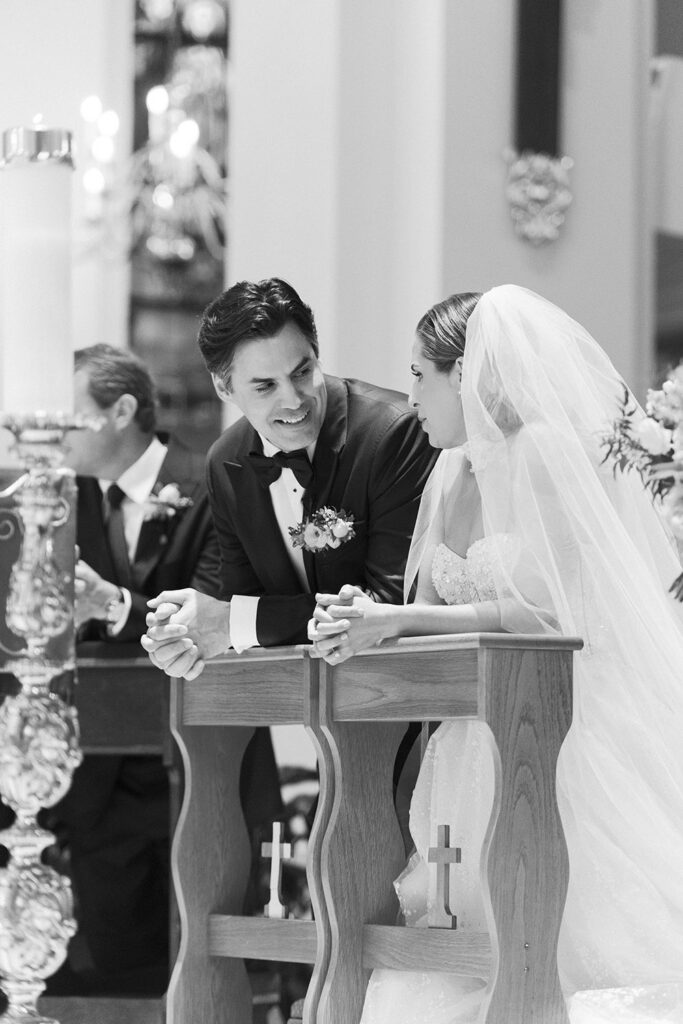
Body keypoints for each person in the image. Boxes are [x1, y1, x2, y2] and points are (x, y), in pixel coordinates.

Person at [309, 285, 683, 1023]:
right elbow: (434, 609)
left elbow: (548, 610)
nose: (410, 394)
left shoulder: (540, 452)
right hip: (465, 732)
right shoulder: (449, 469)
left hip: (554, 726)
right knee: (461, 941)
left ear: (466, 374)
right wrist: (363, 617)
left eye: (420, 374)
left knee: (562, 945)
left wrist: (402, 617)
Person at [54, 344, 280, 994]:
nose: (55, 433)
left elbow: (220, 610)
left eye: (69, 415)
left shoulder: (216, 480)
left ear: (121, 410)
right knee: (114, 977)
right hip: (100, 781)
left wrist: (114, 605)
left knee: (207, 974)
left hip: (201, 767)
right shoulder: (64, 502)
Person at [141, 277, 437, 681]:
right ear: (223, 388)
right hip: (314, 703)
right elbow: (244, 604)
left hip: (409, 692)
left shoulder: (393, 433)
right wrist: (184, 638)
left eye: (302, 373)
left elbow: (390, 602)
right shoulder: (226, 463)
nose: (294, 401)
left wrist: (229, 621)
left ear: (317, 354)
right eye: (265, 386)